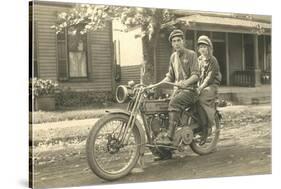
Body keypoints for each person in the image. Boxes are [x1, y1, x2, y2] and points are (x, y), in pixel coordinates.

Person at [155, 29, 200, 145]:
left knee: (173, 103)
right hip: (178, 91)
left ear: (183, 41)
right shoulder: (173, 57)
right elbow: (170, 76)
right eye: (174, 41)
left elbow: (196, 75)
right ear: (172, 44)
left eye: (179, 40)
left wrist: (186, 83)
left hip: (191, 91)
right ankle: (164, 148)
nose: (176, 43)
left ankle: (169, 138)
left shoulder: (191, 54)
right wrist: (156, 85)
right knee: (162, 106)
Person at [196, 35, 222, 144]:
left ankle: (207, 128)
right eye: (200, 46)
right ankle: (198, 125)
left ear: (209, 48)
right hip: (202, 85)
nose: (202, 49)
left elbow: (209, 78)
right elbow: (196, 74)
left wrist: (200, 88)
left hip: (212, 86)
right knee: (191, 99)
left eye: (205, 46)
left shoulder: (213, 60)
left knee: (201, 99)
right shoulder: (199, 60)